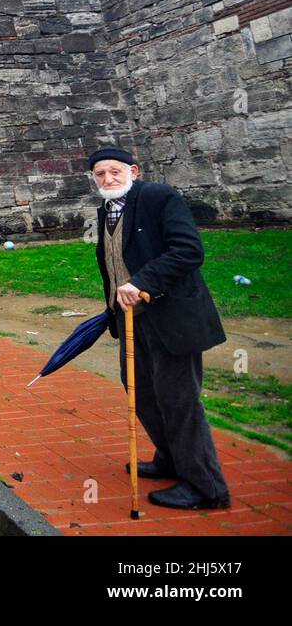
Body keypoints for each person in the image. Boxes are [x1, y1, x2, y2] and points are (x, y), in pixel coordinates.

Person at [89, 147, 230, 510]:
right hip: (131, 319)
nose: (108, 179)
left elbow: (188, 250)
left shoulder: (159, 197)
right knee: (142, 393)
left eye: (115, 172)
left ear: (133, 171)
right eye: (100, 174)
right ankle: (170, 458)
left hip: (171, 317)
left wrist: (143, 282)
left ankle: (206, 488)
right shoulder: (105, 210)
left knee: (179, 400)